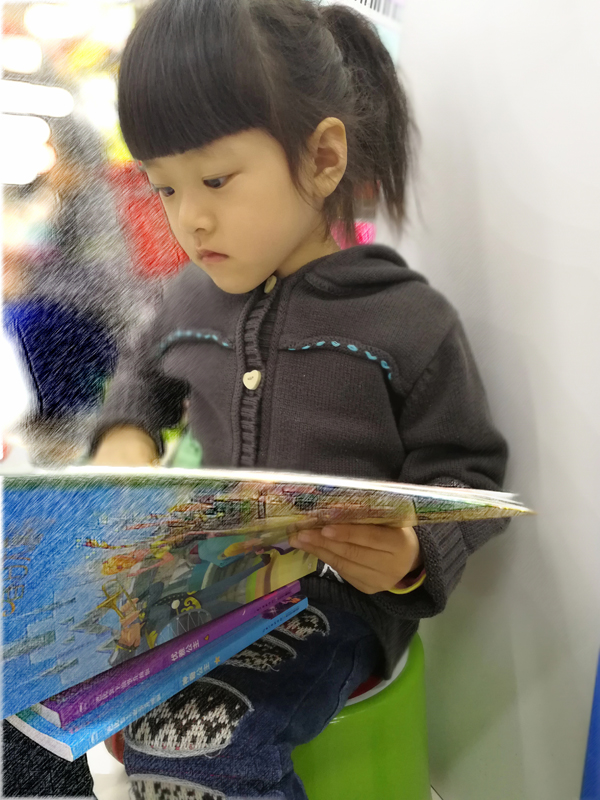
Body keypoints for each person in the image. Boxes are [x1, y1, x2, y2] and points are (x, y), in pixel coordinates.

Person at [89, 1, 509, 798]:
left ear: (321, 159)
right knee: (54, 698)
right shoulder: (188, 298)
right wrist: (124, 437)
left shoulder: (405, 319)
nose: (190, 218)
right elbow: (143, 378)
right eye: (164, 187)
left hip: (330, 605)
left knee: (194, 742)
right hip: (200, 589)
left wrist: (412, 553)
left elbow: (471, 474)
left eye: (216, 179)